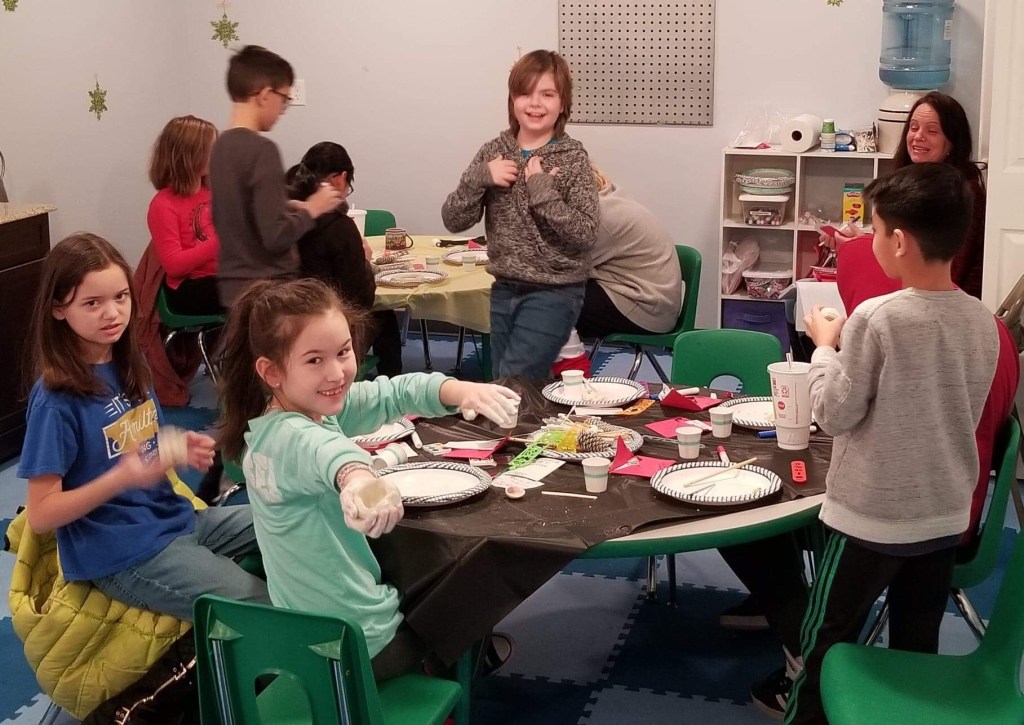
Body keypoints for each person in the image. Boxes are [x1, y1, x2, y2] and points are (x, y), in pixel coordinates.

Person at [779, 163, 1005, 723]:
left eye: (875, 231)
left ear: (899, 241)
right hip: (942, 515)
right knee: (915, 654)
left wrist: (824, 347)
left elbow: (834, 414)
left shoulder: (876, 318)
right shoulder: (983, 321)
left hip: (868, 518)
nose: (871, 241)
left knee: (825, 644)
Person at [216, 277, 520, 681]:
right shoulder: (290, 437)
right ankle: (447, 674)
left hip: (313, 635)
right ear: (271, 371)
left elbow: (391, 393)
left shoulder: (297, 411)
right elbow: (331, 456)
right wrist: (359, 479)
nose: (337, 373)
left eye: (343, 352)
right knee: (470, 579)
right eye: (314, 360)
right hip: (358, 644)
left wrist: (458, 390)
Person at [16, 232, 270, 622]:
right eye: (92, 303)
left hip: (177, 519)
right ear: (58, 309)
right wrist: (121, 478)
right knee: (266, 605)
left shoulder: (128, 365)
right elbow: (42, 514)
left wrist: (175, 444)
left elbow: (136, 449)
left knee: (299, 520)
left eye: (121, 297)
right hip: (125, 553)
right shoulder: (55, 400)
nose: (112, 313)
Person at [441, 49, 599, 378]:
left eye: (548, 94)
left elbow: (585, 233)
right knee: (505, 383)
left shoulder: (572, 158)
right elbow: (453, 219)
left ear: (563, 103)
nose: (535, 103)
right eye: (525, 93)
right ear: (513, 99)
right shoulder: (493, 152)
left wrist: (542, 191)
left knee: (514, 382)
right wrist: (479, 178)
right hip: (504, 287)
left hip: (554, 291)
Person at [209, 44, 342, 307]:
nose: (283, 109)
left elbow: (238, 215)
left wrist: (284, 205)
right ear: (264, 95)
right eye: (284, 99)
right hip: (269, 290)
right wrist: (313, 208)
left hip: (233, 289)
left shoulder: (219, 148)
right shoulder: (262, 150)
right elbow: (275, 236)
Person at [823, 92, 985, 299]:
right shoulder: (910, 181)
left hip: (943, 300)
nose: (918, 136)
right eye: (914, 127)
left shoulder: (961, 194)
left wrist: (862, 248)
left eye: (932, 131)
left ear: (952, 142)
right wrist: (863, 242)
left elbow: (946, 270)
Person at [286, 141, 403, 377]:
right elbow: (360, 299)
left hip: (285, 324)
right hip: (329, 327)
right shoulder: (340, 227)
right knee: (384, 317)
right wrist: (365, 262)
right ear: (341, 178)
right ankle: (393, 390)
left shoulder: (282, 216)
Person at [575, 164, 682, 340]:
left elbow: (554, 265)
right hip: (649, 301)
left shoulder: (596, 215)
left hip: (644, 309)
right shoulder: (607, 196)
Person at [147, 115, 222, 316]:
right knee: (255, 292)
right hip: (188, 287)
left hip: (220, 277)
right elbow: (174, 265)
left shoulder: (211, 193)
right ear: (189, 155)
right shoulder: (163, 204)